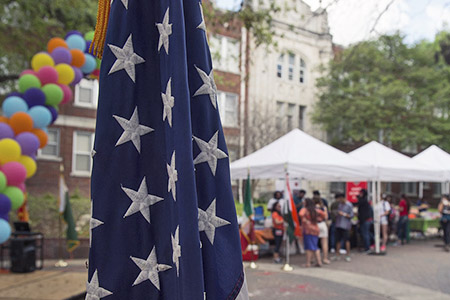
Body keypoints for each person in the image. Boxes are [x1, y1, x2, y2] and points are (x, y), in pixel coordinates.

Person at [299, 198, 327, 267]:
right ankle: (319, 262)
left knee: (309, 247)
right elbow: (324, 215)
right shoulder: (316, 210)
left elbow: (300, 214)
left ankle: (308, 263)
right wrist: (318, 219)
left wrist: (305, 219)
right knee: (315, 246)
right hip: (315, 229)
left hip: (308, 230)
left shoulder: (305, 210)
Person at [334, 193, 354, 262]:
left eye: (340, 199)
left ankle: (348, 255)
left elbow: (351, 215)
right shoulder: (340, 205)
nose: (339, 200)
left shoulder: (349, 205)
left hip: (345, 225)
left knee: (347, 240)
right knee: (338, 240)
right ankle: (337, 255)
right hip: (338, 224)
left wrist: (343, 214)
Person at [314, 196, 330, 264]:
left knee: (314, 242)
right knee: (324, 242)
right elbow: (326, 217)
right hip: (322, 224)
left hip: (315, 224)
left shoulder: (313, 208)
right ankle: (325, 258)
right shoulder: (324, 207)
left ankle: (313, 258)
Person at [357, 189, 373, 253]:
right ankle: (367, 246)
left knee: (365, 234)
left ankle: (367, 248)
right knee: (367, 233)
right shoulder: (365, 201)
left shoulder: (363, 201)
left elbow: (362, 212)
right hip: (366, 220)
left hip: (365, 220)